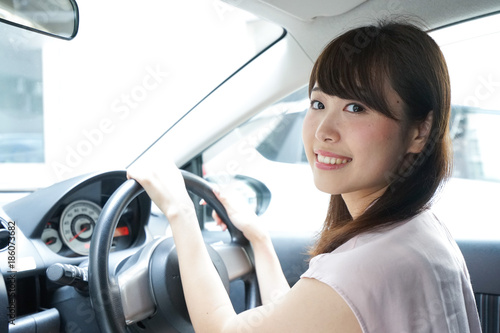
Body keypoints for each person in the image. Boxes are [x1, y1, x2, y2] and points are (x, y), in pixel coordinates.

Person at [128, 20, 482, 333]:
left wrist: (181, 213)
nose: (324, 130)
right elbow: (304, 317)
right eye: (318, 104)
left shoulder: (364, 268)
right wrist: (259, 242)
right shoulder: (418, 232)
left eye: (355, 108)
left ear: (420, 132)